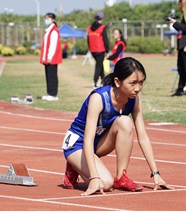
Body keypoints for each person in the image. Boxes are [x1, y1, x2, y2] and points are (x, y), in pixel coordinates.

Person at [61, 57, 172, 195]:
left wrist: (156, 173)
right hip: (78, 144)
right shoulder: (98, 98)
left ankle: (121, 177)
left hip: (99, 142)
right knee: (105, 183)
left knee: (125, 122)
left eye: (141, 82)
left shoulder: (135, 101)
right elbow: (87, 140)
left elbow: (143, 137)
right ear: (117, 82)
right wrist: (94, 177)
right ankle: (75, 165)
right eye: (132, 83)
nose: (137, 88)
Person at [40, 12, 62, 101]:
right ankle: (49, 92)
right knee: (48, 75)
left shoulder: (54, 31)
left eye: (48, 18)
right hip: (47, 58)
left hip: (52, 58)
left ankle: (53, 94)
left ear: (53, 20)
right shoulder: (48, 30)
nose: (46, 20)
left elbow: (53, 45)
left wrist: (50, 56)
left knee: (52, 75)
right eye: (45, 18)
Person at [87, 12, 109, 88]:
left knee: (100, 64)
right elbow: (105, 39)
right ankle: (95, 81)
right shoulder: (102, 27)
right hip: (100, 49)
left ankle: (104, 80)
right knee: (98, 66)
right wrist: (107, 50)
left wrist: (90, 48)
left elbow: (88, 39)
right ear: (102, 19)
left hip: (93, 49)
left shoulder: (89, 27)